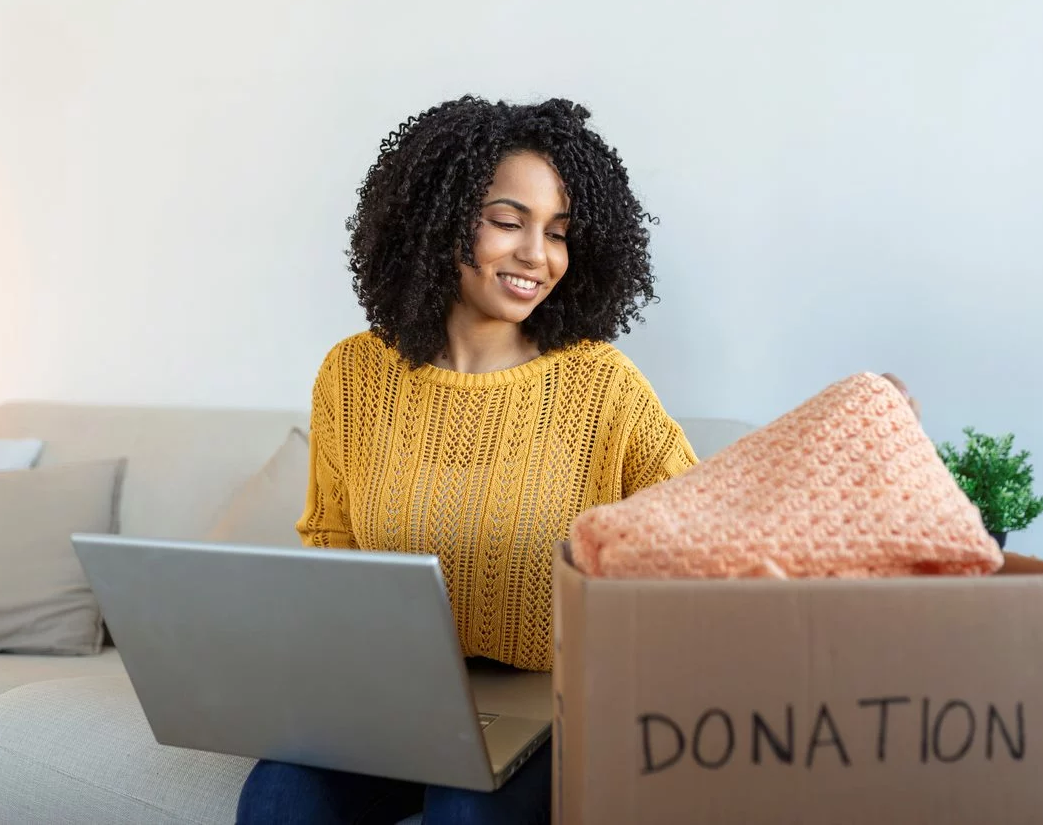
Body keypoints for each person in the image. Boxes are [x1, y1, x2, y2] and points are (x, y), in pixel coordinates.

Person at [235, 96, 699, 825]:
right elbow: (332, 545)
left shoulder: (602, 385)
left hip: (553, 708)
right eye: (508, 222)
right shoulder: (353, 376)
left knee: (464, 806)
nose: (536, 255)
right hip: (395, 701)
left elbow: (700, 531)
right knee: (280, 794)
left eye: (558, 232)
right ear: (438, 218)